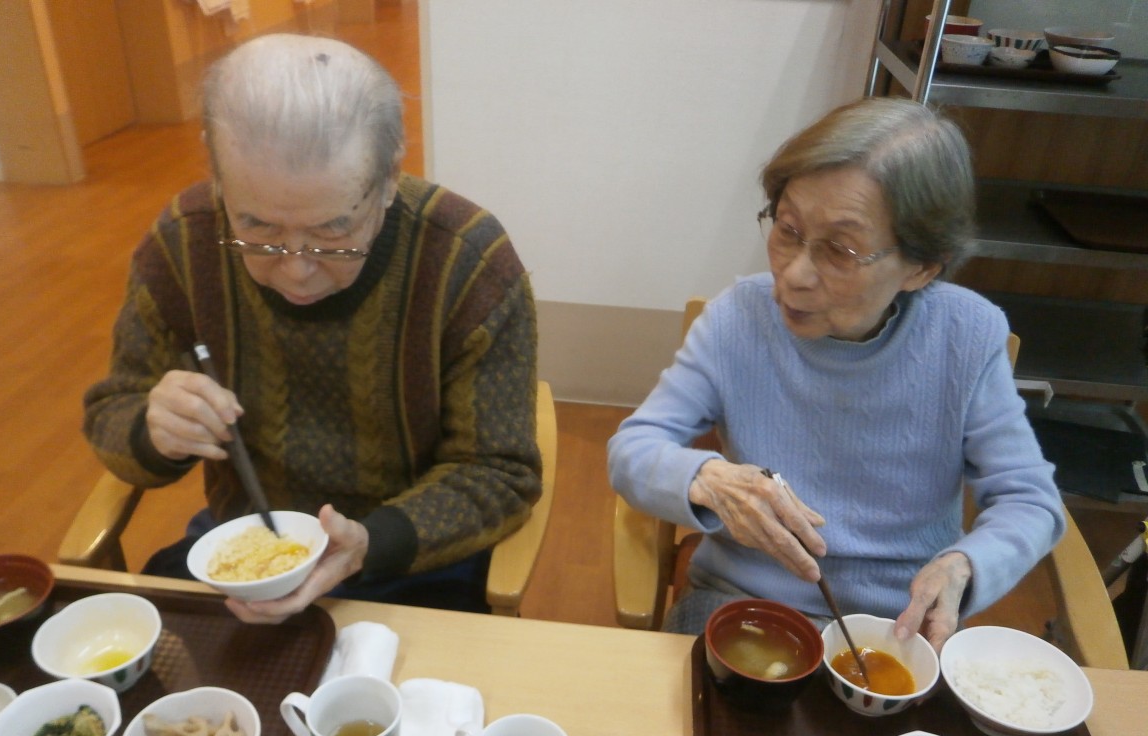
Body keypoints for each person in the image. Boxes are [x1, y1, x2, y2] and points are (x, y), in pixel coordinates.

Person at [84, 34, 541, 624]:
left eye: (333, 232)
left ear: (388, 175)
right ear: (217, 172)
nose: (296, 268)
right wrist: (154, 431)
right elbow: (112, 411)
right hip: (246, 554)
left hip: (414, 560)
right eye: (257, 227)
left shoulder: (466, 262)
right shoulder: (184, 243)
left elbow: (501, 473)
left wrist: (369, 543)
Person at [607, 97, 1064, 651]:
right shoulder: (737, 319)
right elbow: (633, 449)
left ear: (921, 268)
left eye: (840, 250)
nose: (794, 275)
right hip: (741, 602)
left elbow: (1030, 500)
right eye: (788, 229)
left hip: (897, 625)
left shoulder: (966, 336)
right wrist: (708, 478)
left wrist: (964, 564)